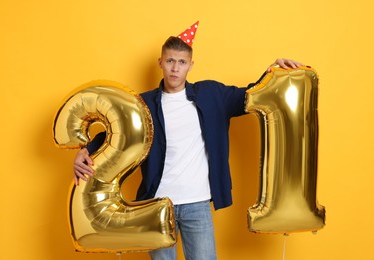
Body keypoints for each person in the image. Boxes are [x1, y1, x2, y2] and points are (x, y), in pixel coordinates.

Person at [73, 30, 303, 260]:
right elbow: (117, 130)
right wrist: (87, 149)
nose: (175, 68)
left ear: (191, 65)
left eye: (182, 62)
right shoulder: (143, 104)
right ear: (160, 62)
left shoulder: (212, 95)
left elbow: (250, 96)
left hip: (197, 203)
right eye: (170, 61)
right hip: (157, 205)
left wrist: (272, 71)